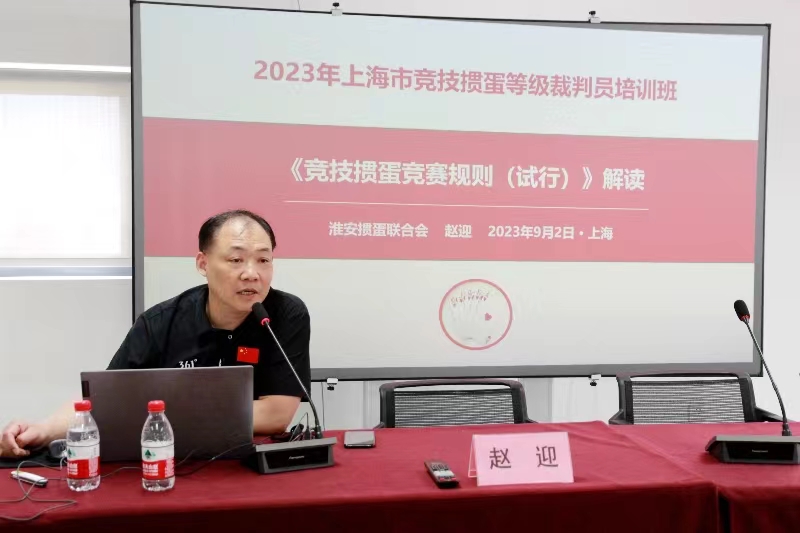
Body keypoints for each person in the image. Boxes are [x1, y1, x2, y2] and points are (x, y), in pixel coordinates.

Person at [0, 209, 311, 458]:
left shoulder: (285, 314)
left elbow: (276, 415)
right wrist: (42, 430)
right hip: (167, 459)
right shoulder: (160, 322)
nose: (252, 273)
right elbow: (102, 403)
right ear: (202, 263)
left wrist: (160, 413)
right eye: (235, 260)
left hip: (251, 463)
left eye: (263, 260)